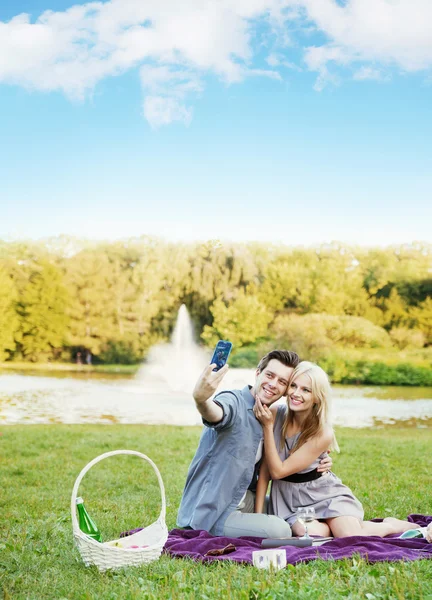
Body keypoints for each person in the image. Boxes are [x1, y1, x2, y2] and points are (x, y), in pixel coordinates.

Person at [254, 361, 425, 540]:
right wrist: (259, 518)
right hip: (289, 500)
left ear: (318, 397)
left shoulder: (322, 432)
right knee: (314, 534)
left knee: (350, 535)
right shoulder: (275, 413)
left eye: (306, 390)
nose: (296, 394)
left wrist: (267, 426)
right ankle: (329, 526)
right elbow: (266, 471)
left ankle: (390, 525)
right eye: (294, 386)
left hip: (325, 494)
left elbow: (277, 470)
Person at [177, 350, 332, 538]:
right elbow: (216, 413)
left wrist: (318, 460)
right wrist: (201, 400)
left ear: (286, 390)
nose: (273, 384)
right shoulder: (234, 402)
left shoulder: (270, 415)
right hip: (213, 512)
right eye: (270, 375)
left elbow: (294, 448)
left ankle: (334, 526)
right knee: (280, 529)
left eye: (282, 382)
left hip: (243, 499)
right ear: (258, 373)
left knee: (294, 509)